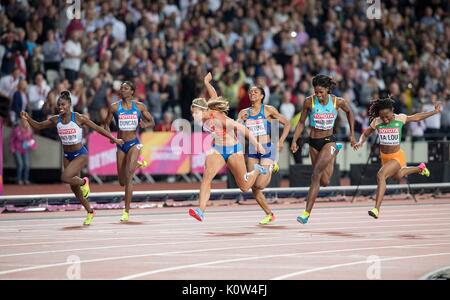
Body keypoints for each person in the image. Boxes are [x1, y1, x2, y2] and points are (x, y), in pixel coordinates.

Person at [21, 91, 124, 225]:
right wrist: (28, 118)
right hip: (67, 155)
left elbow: (98, 128)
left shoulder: (78, 118)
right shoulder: (56, 119)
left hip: (80, 154)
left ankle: (84, 182)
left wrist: (113, 138)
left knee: (64, 177)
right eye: (59, 105)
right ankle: (90, 212)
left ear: (69, 104)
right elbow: (39, 126)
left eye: (63, 104)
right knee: (74, 189)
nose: (60, 107)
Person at [188, 73, 268, 222]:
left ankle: (257, 169)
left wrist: (257, 145)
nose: (194, 116)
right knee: (207, 177)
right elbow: (213, 95)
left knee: (244, 187)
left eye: (195, 113)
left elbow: (242, 129)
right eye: (192, 113)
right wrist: (206, 82)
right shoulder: (204, 113)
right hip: (218, 149)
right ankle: (201, 210)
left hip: (233, 149)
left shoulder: (218, 118)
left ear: (204, 110)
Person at [353, 97, 440, 219]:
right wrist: (360, 142)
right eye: (382, 117)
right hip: (384, 158)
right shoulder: (377, 122)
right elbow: (366, 133)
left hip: (397, 156)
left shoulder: (400, 118)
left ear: (392, 110)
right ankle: (420, 168)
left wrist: (434, 112)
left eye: (387, 116)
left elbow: (417, 117)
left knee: (381, 175)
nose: (385, 119)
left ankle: (376, 209)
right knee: (397, 176)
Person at [291, 74, 356, 224]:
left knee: (315, 174)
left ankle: (306, 213)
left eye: (321, 92)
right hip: (313, 142)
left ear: (327, 90)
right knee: (325, 181)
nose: (319, 95)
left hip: (328, 140)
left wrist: (352, 134)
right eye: (316, 92)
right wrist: (295, 140)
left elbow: (349, 112)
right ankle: (335, 152)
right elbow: (301, 122)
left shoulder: (337, 101)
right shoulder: (309, 102)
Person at [237, 85, 291, 225]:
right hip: (253, 151)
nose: (252, 93)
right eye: (250, 92)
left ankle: (272, 166)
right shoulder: (244, 112)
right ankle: (269, 214)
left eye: (256, 92)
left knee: (260, 185)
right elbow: (237, 130)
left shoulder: (268, 110)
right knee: (252, 186)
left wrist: (280, 141)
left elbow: (287, 124)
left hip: (267, 148)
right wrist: (239, 121)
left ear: (262, 96)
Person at [104, 81, 154, 222]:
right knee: (122, 181)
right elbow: (105, 124)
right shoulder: (114, 107)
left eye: (126, 88)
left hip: (134, 143)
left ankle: (126, 211)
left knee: (129, 174)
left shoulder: (139, 106)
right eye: (122, 88)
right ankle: (140, 163)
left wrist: (145, 124)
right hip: (121, 144)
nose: (122, 90)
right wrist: (112, 137)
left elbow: (152, 122)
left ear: (132, 91)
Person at [10, 117, 37, 184]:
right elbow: (12, 140)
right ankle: (19, 180)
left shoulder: (29, 130)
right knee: (20, 165)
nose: (25, 123)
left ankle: (25, 179)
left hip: (25, 150)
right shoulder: (17, 130)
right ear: (21, 122)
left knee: (27, 165)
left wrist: (33, 146)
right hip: (17, 150)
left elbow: (32, 140)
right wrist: (12, 149)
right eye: (24, 122)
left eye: (26, 122)